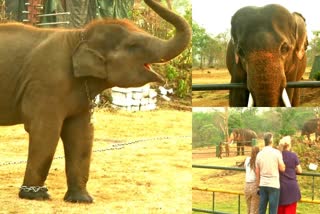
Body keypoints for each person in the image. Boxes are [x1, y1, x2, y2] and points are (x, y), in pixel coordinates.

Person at [255, 132, 285, 214]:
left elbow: (257, 172)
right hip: (274, 184)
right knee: (273, 210)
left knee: (261, 209)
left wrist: (258, 185)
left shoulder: (259, 154)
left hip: (263, 184)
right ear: (271, 140)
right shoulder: (277, 153)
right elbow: (282, 168)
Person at [277, 136, 302, 214]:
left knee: (280, 210)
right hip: (291, 188)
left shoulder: (278, 155)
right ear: (289, 145)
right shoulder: (293, 155)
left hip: (280, 187)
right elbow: (300, 170)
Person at [244, 146, 260, 214]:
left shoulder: (247, 159)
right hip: (254, 185)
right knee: (255, 210)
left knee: (249, 209)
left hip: (247, 185)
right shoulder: (258, 161)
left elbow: (245, 167)